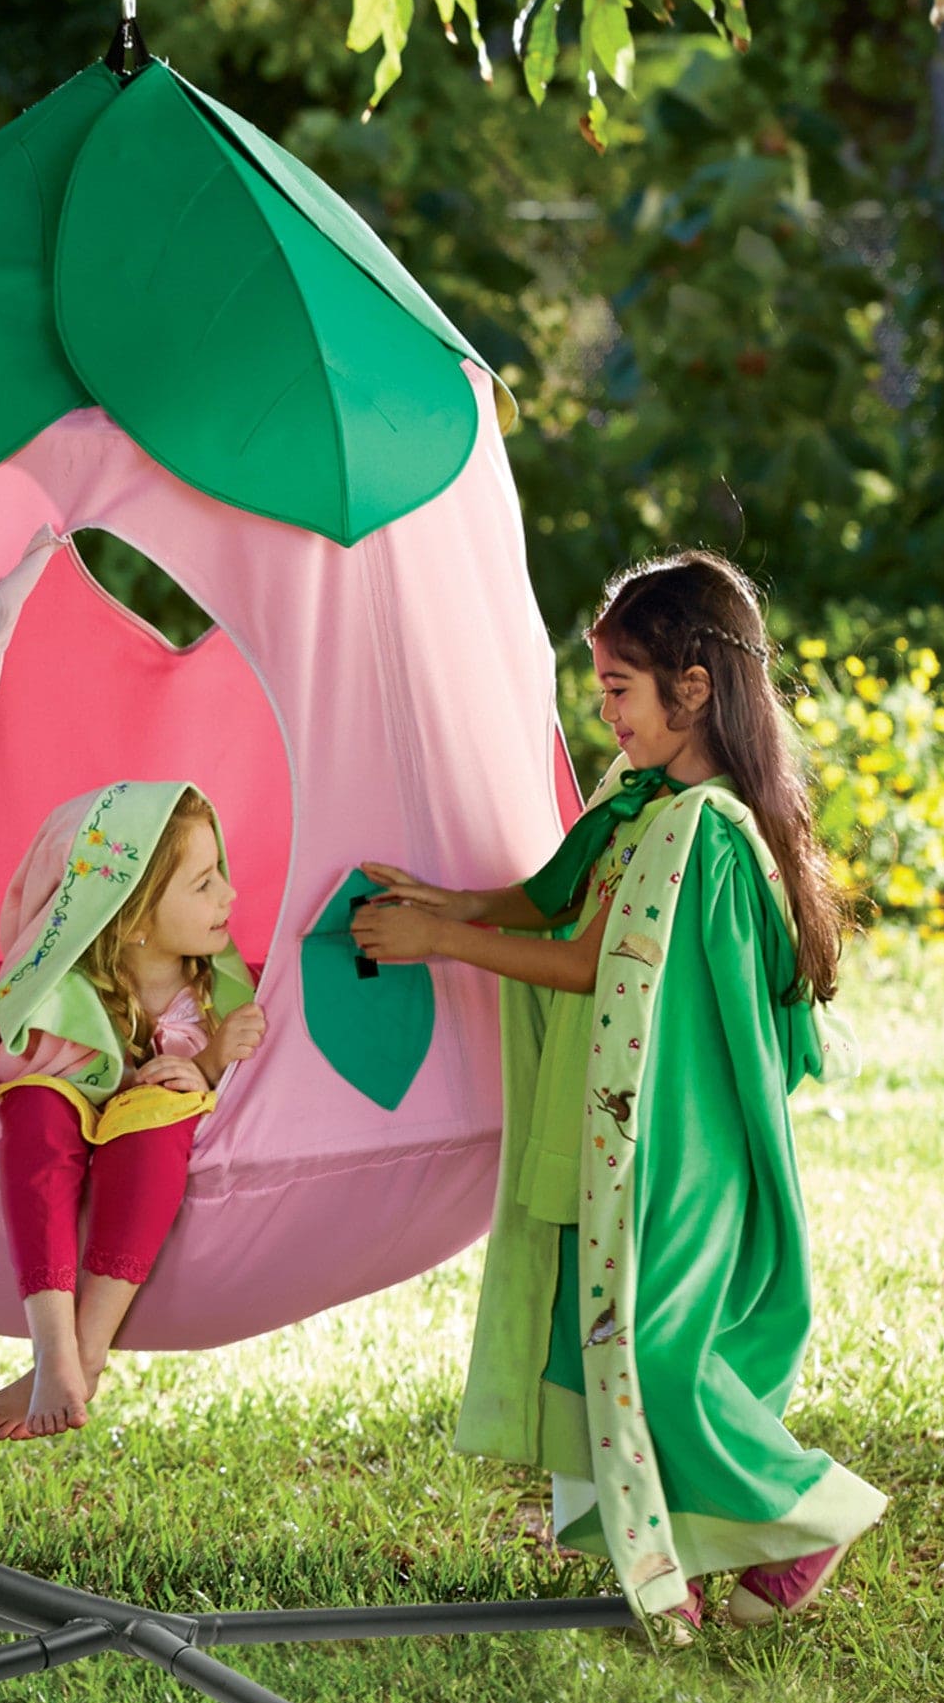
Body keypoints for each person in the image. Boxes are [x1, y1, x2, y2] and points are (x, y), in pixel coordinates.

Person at [351, 552, 886, 1636]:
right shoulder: (640, 806)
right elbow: (562, 900)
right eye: (598, 691)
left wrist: (439, 941)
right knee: (601, 1334)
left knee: (657, 1347)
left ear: (693, 686)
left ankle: (806, 1514)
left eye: (618, 691)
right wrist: (455, 902)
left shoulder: (707, 832)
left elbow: (596, 960)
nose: (604, 716)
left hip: (683, 1143)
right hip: (627, 1128)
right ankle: (670, 1554)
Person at [0, 783, 268, 1441]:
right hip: (66, 1110)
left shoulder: (218, 992)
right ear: (128, 919)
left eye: (221, 873)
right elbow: (52, 1070)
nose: (230, 895)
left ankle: (85, 1352)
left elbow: (226, 1081)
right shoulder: (67, 993)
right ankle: (52, 1347)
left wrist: (209, 1065)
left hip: (146, 1133)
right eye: (204, 883)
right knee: (35, 1110)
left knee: (154, 1122)